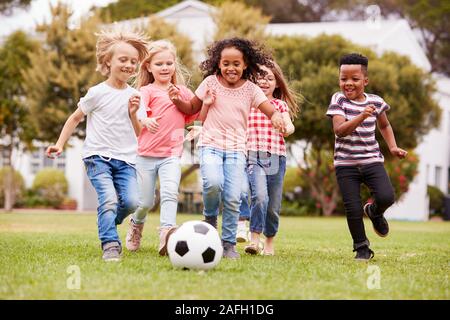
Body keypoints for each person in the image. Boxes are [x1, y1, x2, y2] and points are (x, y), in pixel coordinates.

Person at [169, 37, 286, 259]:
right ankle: (210, 218)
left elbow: (268, 108)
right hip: (210, 144)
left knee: (233, 196)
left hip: (236, 150)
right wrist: (177, 101)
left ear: (245, 65)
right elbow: (192, 107)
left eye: (236, 64)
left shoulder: (251, 89)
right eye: (226, 63)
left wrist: (277, 115)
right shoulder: (210, 83)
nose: (230, 68)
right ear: (218, 63)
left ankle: (229, 243)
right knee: (213, 183)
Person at [45, 28, 149, 262]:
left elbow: (140, 133)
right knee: (109, 199)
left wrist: (133, 114)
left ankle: (108, 222)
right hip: (97, 157)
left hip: (126, 160)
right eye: (123, 59)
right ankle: (110, 244)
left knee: (132, 202)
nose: (129, 65)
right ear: (107, 61)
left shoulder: (135, 96)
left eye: (133, 61)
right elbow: (74, 118)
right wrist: (60, 144)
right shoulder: (97, 93)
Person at [326, 53, 407, 261]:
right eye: (343, 78)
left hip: (371, 160)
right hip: (345, 163)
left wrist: (393, 147)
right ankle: (362, 248)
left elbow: (385, 125)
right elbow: (340, 130)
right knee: (352, 207)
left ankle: (374, 211)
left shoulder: (376, 101)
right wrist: (362, 115)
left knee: (386, 196)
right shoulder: (338, 100)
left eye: (354, 79)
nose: (348, 83)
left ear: (365, 80)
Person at [125, 40, 199, 255]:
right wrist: (144, 119)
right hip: (145, 156)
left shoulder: (182, 92)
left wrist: (198, 128)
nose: (165, 67)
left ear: (174, 64)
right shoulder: (146, 90)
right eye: (159, 64)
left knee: (169, 193)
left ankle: (167, 234)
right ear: (149, 66)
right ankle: (136, 225)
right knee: (146, 201)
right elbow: (139, 109)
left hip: (171, 156)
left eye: (169, 63)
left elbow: (196, 111)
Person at [243, 61, 299, 256]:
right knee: (259, 196)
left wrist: (287, 128)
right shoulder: (247, 103)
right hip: (252, 155)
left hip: (276, 157)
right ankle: (254, 239)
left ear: (277, 83)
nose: (265, 81)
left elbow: (289, 126)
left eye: (270, 78)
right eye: (260, 77)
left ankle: (269, 241)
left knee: (273, 205)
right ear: (252, 79)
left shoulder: (279, 105)